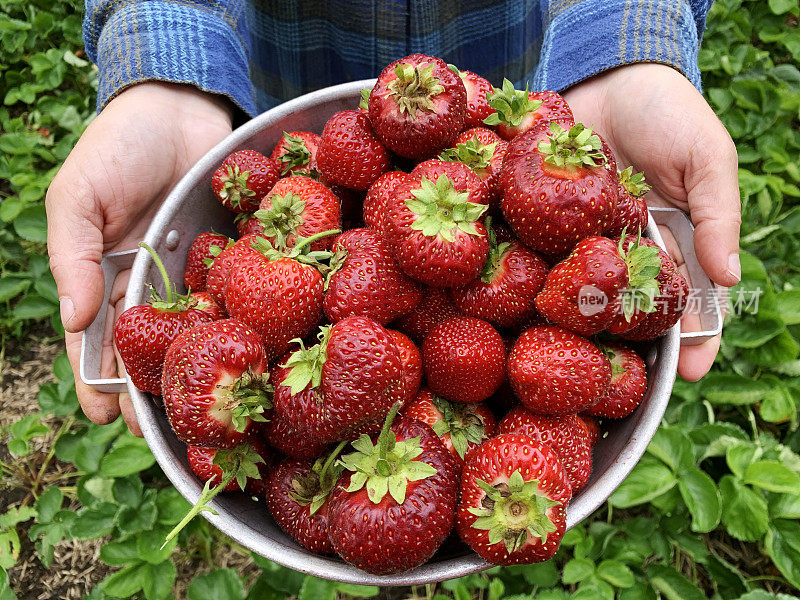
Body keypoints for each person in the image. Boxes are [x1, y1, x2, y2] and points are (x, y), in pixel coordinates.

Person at [46, 1, 741, 436]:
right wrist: (165, 69)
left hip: (512, 83)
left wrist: (624, 52)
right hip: (284, 61)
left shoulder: (490, 198)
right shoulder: (360, 238)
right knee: (339, 164)